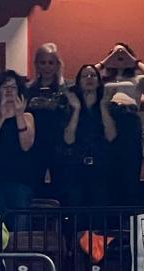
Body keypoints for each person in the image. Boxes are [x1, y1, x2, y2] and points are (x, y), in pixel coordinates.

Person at [100, 43, 144, 205]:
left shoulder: (137, 80)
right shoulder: (102, 80)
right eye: (116, 55)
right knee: (107, 169)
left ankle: (126, 215)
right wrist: (107, 61)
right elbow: (86, 76)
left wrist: (132, 60)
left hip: (129, 119)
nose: (119, 57)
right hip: (107, 119)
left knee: (130, 168)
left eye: (122, 55)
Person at [0, 69, 35, 212]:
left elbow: (26, 146)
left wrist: (19, 115)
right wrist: (2, 117)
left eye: (13, 87)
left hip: (20, 179)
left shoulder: (27, 117)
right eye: (5, 87)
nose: (9, 91)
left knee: (20, 227)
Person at [62, 65, 118, 208]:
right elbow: (68, 139)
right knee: (76, 213)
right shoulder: (68, 106)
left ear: (99, 81)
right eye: (84, 76)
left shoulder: (108, 105)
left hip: (101, 167)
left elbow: (111, 136)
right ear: (78, 81)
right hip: (75, 167)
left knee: (100, 212)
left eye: (93, 75)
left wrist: (104, 107)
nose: (89, 79)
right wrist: (76, 109)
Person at [26, 44, 67, 198]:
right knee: (34, 188)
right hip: (35, 147)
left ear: (57, 64)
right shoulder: (28, 89)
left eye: (51, 63)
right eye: (43, 63)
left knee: (62, 189)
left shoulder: (66, 88)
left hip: (60, 146)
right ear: (36, 64)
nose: (47, 67)